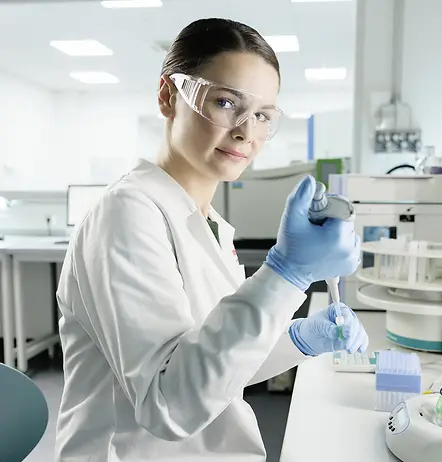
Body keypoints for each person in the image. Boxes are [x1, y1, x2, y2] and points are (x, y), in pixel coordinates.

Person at [54, 18, 368, 462]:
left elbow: (220, 365)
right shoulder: (127, 214)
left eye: (262, 115)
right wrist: (286, 275)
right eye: (226, 102)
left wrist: (300, 339)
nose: (246, 131)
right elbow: (167, 406)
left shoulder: (208, 222)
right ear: (168, 97)